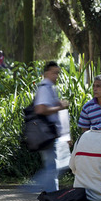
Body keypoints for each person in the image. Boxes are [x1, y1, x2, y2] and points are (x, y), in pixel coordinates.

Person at [31, 61, 70, 192]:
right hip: (46, 133)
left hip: (51, 134)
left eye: (58, 73)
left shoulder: (49, 88)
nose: (56, 76)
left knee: (56, 165)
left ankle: (49, 194)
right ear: (46, 73)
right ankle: (38, 191)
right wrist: (60, 106)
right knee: (53, 167)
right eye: (54, 73)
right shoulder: (44, 88)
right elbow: (40, 109)